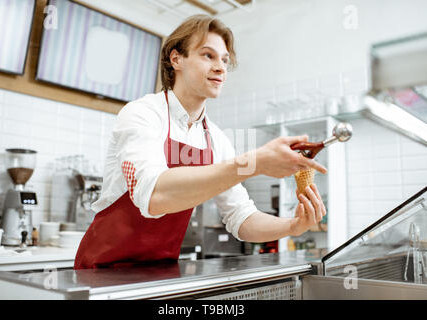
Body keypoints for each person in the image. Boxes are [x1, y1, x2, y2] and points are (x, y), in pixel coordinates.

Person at [74, 14, 327, 269]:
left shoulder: (216, 139)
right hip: (101, 272)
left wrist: (292, 226)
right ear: (176, 59)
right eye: (208, 55)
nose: (220, 67)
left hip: (157, 274)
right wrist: (255, 162)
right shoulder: (142, 114)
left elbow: (241, 218)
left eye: (224, 60)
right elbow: (153, 196)